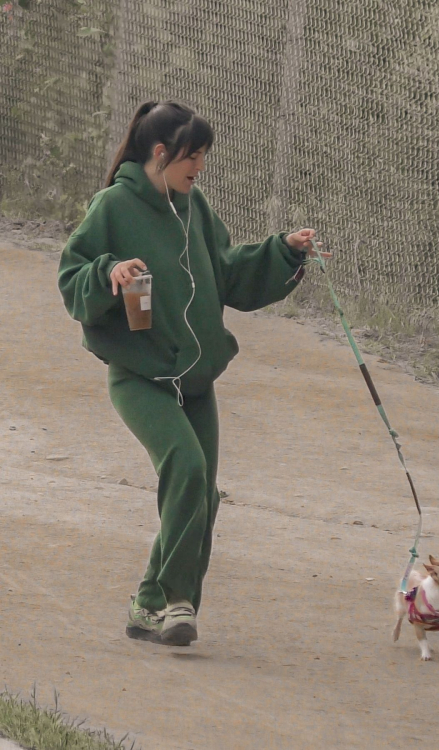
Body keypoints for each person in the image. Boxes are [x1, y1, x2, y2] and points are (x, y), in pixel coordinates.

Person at [58, 100, 331, 647]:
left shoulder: (194, 205)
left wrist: (283, 251)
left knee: (202, 491)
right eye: (195, 156)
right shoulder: (113, 205)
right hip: (139, 378)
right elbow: (71, 278)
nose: (200, 167)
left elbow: (228, 270)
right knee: (185, 467)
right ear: (162, 153)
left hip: (196, 381)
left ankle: (153, 606)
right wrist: (108, 272)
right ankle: (171, 601)